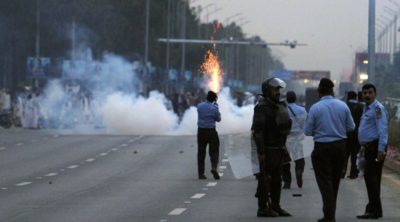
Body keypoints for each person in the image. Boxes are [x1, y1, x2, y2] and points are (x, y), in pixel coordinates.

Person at [304, 78, 355, 222]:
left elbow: (307, 131)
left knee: (325, 182)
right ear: (332, 90)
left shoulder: (315, 108)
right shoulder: (343, 106)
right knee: (334, 182)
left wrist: (320, 131)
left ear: (319, 91)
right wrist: (338, 129)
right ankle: (328, 215)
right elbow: (351, 127)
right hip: (340, 147)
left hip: (322, 148)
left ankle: (330, 216)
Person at [251, 77, 292, 217]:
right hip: (267, 149)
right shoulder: (262, 108)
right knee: (265, 179)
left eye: (278, 90)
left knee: (277, 179)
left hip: (278, 148)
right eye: (275, 89)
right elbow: (258, 132)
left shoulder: (279, 106)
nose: (277, 92)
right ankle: (263, 208)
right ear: (267, 90)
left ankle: (275, 206)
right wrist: (261, 151)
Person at [356, 83, 388, 219]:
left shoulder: (377, 109)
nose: (367, 95)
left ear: (375, 94)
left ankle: (374, 210)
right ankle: (374, 209)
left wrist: (381, 150)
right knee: (373, 179)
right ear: (362, 95)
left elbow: (382, 130)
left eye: (370, 93)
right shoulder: (366, 108)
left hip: (375, 148)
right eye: (365, 93)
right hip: (369, 147)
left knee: (371, 178)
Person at [282, 91, 307, 189]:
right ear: (295, 98)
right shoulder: (302, 110)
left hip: (286, 139)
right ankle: (299, 171)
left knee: (285, 161)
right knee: (299, 159)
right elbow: (305, 123)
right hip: (298, 138)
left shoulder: (283, 110)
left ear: (287, 99)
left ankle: (287, 182)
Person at [197, 90, 221, 180]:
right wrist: (217, 108)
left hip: (201, 131)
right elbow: (218, 119)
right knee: (214, 151)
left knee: (201, 153)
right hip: (211, 131)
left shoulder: (199, 106)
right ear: (214, 99)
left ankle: (201, 173)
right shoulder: (214, 108)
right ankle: (214, 167)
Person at [341, 91, 364, 179]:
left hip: (346, 134)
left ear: (347, 97)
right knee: (355, 154)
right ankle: (353, 173)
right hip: (357, 134)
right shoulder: (361, 106)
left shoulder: (344, 106)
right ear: (356, 97)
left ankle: (342, 172)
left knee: (345, 154)